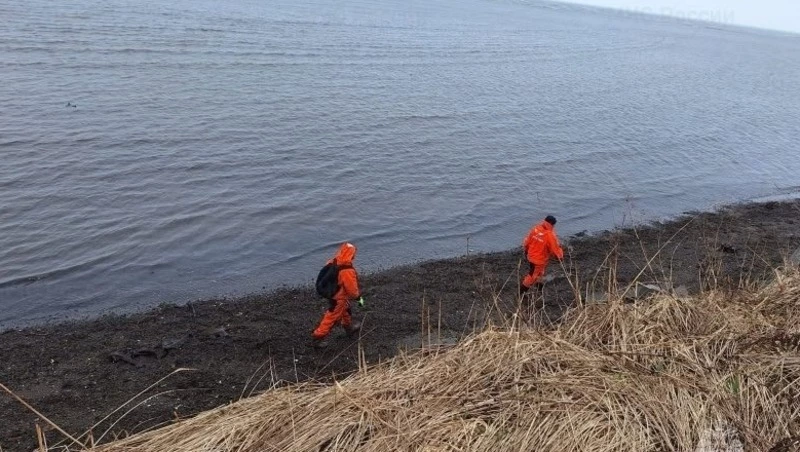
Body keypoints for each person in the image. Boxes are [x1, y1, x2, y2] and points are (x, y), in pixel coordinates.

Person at [312, 242, 364, 348]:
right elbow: (352, 290)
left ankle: (348, 327)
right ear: (351, 254)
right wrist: (359, 298)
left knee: (346, 310)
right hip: (339, 297)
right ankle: (318, 337)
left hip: (333, 294)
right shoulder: (347, 270)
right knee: (331, 317)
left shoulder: (333, 261)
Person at [520, 215, 564, 296]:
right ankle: (521, 294)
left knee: (540, 273)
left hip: (531, 256)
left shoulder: (536, 228)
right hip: (539, 260)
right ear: (552, 224)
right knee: (532, 276)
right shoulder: (550, 235)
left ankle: (539, 289)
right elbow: (555, 249)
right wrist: (560, 257)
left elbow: (527, 241)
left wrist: (526, 251)